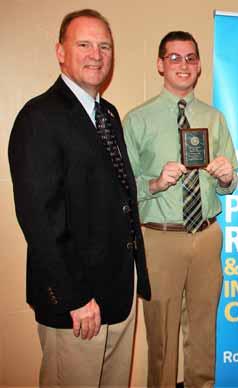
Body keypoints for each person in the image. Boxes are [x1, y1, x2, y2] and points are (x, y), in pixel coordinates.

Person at [8, 9, 150, 387]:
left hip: (118, 294)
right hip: (79, 302)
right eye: (84, 44)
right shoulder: (39, 117)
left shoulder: (108, 114)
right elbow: (39, 219)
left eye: (105, 46)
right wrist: (75, 298)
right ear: (60, 52)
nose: (96, 54)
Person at [123, 31, 238, 387]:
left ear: (200, 65)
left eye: (190, 58)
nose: (183, 65)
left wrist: (225, 176)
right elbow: (122, 190)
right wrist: (155, 184)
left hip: (206, 235)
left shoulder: (214, 118)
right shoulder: (137, 120)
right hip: (161, 238)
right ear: (160, 65)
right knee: (161, 337)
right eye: (174, 58)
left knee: (203, 331)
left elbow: (230, 184)